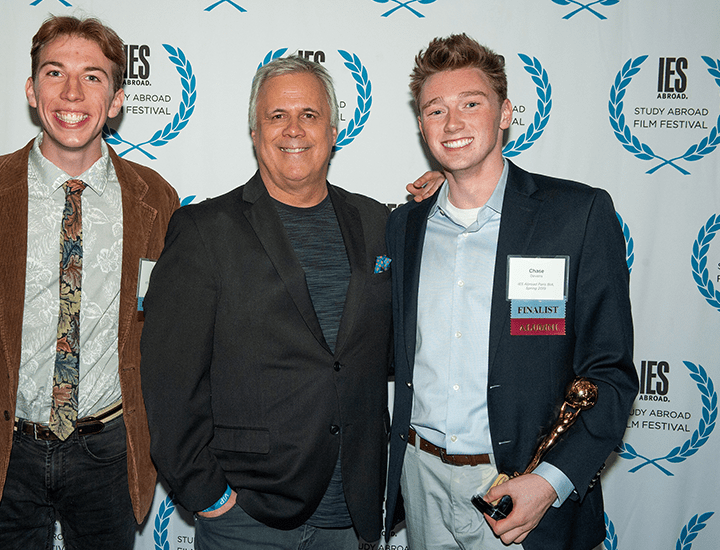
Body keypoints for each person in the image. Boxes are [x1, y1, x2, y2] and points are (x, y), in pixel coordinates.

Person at [0, 15, 178, 549]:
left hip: (109, 454)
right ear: (31, 89)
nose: (72, 92)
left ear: (116, 99)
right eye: (54, 73)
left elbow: (165, 334)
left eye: (93, 77)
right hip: (1, 453)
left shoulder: (154, 199)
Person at [384, 34, 638, 550]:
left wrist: (550, 483)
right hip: (420, 481)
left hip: (520, 489)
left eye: (470, 104)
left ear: (505, 114)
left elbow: (609, 375)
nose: (452, 124)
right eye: (436, 110)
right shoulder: (403, 227)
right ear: (421, 125)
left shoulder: (576, 216)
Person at [140, 56, 392, 548]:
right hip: (248, 515)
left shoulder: (377, 222)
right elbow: (169, 381)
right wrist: (210, 495)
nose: (293, 129)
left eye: (309, 115)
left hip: (355, 513)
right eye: (277, 116)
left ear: (334, 130)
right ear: (255, 133)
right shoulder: (203, 231)